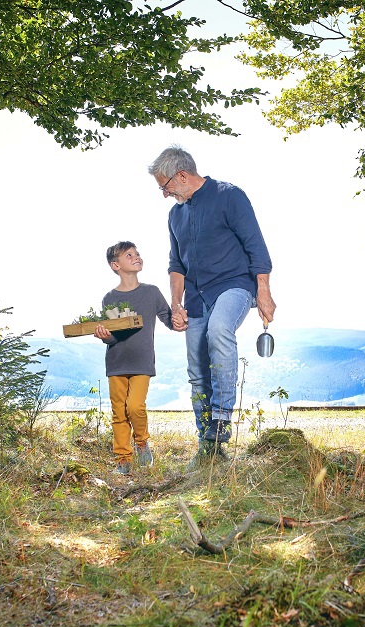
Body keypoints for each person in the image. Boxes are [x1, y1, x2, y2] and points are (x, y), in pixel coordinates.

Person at [148, 146, 276, 465]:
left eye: (165, 186)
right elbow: (176, 263)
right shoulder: (175, 215)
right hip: (195, 297)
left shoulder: (229, 196)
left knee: (219, 329)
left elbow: (255, 245)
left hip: (234, 285)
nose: (164, 194)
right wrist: (176, 304)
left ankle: (220, 421)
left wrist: (263, 290)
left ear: (182, 175)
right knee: (196, 369)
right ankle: (209, 448)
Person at [94, 241, 174, 475]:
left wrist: (180, 318)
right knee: (119, 413)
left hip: (142, 362)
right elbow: (112, 337)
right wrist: (104, 337)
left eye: (137, 253)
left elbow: (170, 320)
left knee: (135, 406)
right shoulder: (109, 298)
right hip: (116, 363)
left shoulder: (152, 292)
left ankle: (141, 443)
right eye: (129, 255)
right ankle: (122, 460)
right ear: (115, 265)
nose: (136, 257)